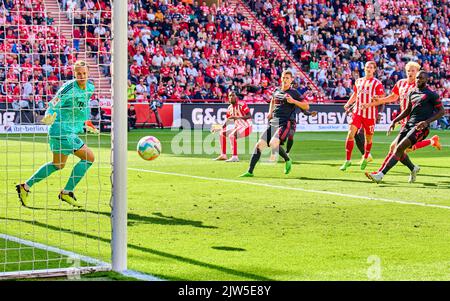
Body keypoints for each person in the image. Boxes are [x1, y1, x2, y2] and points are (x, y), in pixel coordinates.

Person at [16, 60, 99, 208]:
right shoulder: (68, 88)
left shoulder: (90, 88)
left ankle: (25, 187)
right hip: (62, 130)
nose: (82, 76)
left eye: (84, 73)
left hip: (62, 132)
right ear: (74, 74)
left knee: (58, 164)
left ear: (88, 73)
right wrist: (48, 115)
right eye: (78, 73)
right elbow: (53, 104)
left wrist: (86, 122)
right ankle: (67, 192)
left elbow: (83, 107)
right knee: (89, 158)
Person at [366, 71, 445, 183]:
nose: (418, 80)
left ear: (426, 80)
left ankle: (380, 174)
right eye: (417, 78)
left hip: (421, 128)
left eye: (421, 78)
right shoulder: (412, 92)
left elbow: (441, 111)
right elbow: (407, 110)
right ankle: (413, 168)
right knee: (397, 149)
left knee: (398, 148)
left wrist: (426, 122)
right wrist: (395, 120)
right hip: (408, 125)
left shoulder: (431, 94)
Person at [240, 70, 309, 177]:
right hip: (274, 122)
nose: (285, 80)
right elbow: (272, 100)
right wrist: (270, 112)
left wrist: (294, 101)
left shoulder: (294, 93)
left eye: (287, 78)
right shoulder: (276, 91)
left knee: (273, 143)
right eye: (283, 77)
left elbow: (306, 106)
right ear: (281, 78)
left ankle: (287, 159)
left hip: (286, 122)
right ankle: (250, 171)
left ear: (291, 80)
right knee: (259, 145)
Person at [340, 61, 385, 171]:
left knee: (368, 138)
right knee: (351, 134)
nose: (368, 69)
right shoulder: (358, 81)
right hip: (358, 112)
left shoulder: (377, 83)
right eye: (367, 67)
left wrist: (378, 110)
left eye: (371, 67)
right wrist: (348, 103)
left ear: (374, 70)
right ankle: (347, 160)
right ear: (364, 69)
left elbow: (382, 99)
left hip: (370, 115)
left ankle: (366, 157)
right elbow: (355, 94)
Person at [213, 91, 252, 162]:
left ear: (236, 97)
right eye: (230, 96)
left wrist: (237, 118)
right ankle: (223, 155)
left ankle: (235, 157)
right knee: (222, 133)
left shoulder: (242, 104)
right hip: (238, 127)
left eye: (233, 95)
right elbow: (227, 121)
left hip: (247, 127)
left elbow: (249, 116)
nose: (231, 97)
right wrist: (218, 127)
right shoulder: (229, 108)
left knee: (231, 135)